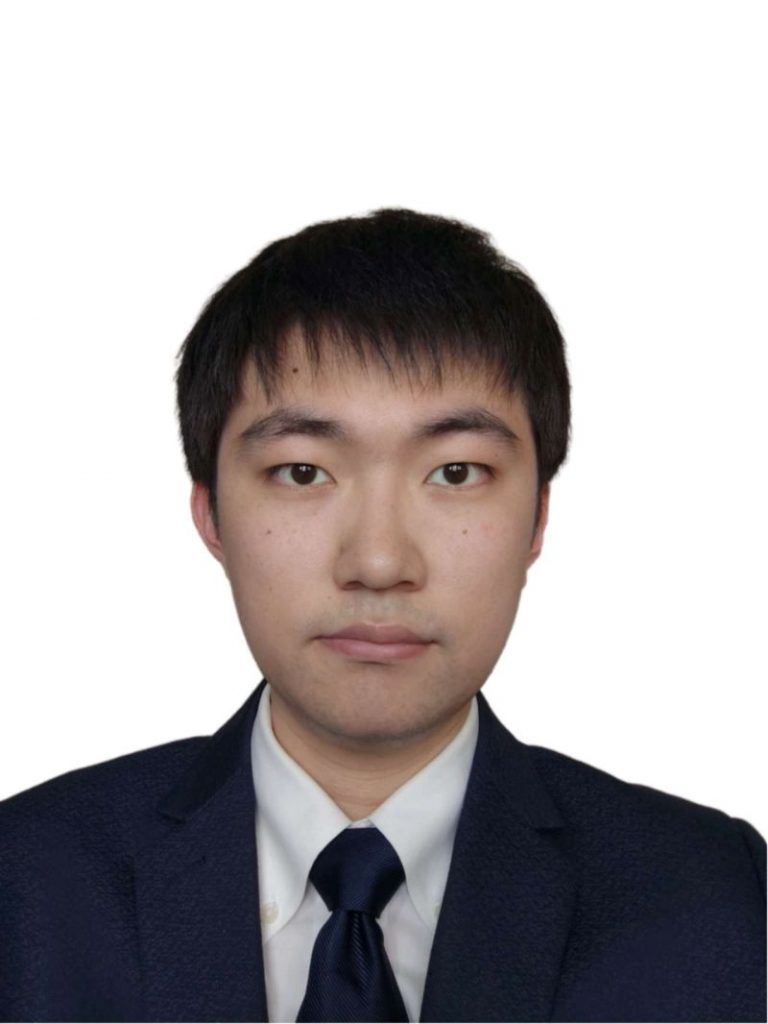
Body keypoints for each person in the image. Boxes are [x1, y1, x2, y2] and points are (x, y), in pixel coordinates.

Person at [0, 208, 764, 1024]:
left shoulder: (715, 901)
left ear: (538, 518)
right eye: (303, 472)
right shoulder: (27, 884)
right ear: (210, 515)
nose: (377, 561)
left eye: (455, 472)